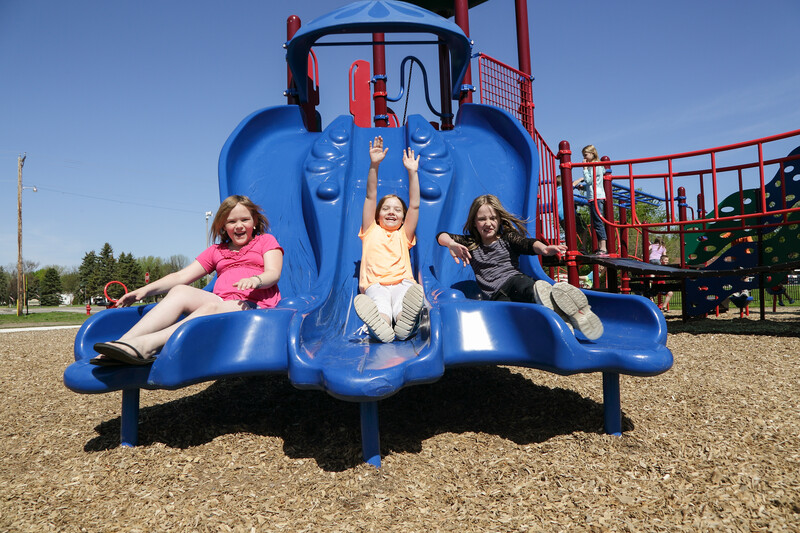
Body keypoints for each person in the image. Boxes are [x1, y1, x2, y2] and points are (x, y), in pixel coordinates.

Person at [91, 195, 283, 365]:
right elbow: (180, 276)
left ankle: (148, 345)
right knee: (180, 291)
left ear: (254, 221)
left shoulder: (265, 241)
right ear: (223, 226)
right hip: (222, 301)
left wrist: (256, 279)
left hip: (253, 304)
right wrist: (144, 291)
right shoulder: (217, 251)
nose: (239, 225)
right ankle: (121, 343)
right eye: (231, 221)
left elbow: (273, 273)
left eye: (245, 219)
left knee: (211, 308)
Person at [437, 194, 604, 340]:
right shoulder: (471, 244)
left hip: (514, 281)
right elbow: (440, 236)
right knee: (515, 317)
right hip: (495, 296)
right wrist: (451, 243)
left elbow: (527, 243)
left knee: (527, 287)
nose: (488, 223)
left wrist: (544, 249)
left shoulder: (507, 238)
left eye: (493, 218)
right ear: (474, 223)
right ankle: (559, 318)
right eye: (482, 219)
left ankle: (559, 308)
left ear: (500, 220)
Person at [354, 136, 425, 343]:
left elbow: (414, 205)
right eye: (385, 209)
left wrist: (413, 172)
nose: (391, 212)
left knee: (404, 307)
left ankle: (405, 325)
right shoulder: (370, 230)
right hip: (375, 284)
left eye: (397, 210)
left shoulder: (404, 234)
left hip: (403, 282)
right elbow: (370, 196)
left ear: (403, 218)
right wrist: (374, 165)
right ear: (377, 215)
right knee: (380, 309)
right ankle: (381, 327)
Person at [573, 144, 607, 255]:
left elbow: (589, 180)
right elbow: (593, 183)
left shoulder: (594, 166)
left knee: (598, 222)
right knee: (596, 223)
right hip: (595, 195)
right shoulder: (597, 166)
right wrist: (584, 187)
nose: (584, 158)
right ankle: (601, 247)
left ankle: (603, 247)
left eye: (585, 155)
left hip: (596, 197)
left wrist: (584, 168)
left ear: (592, 154)